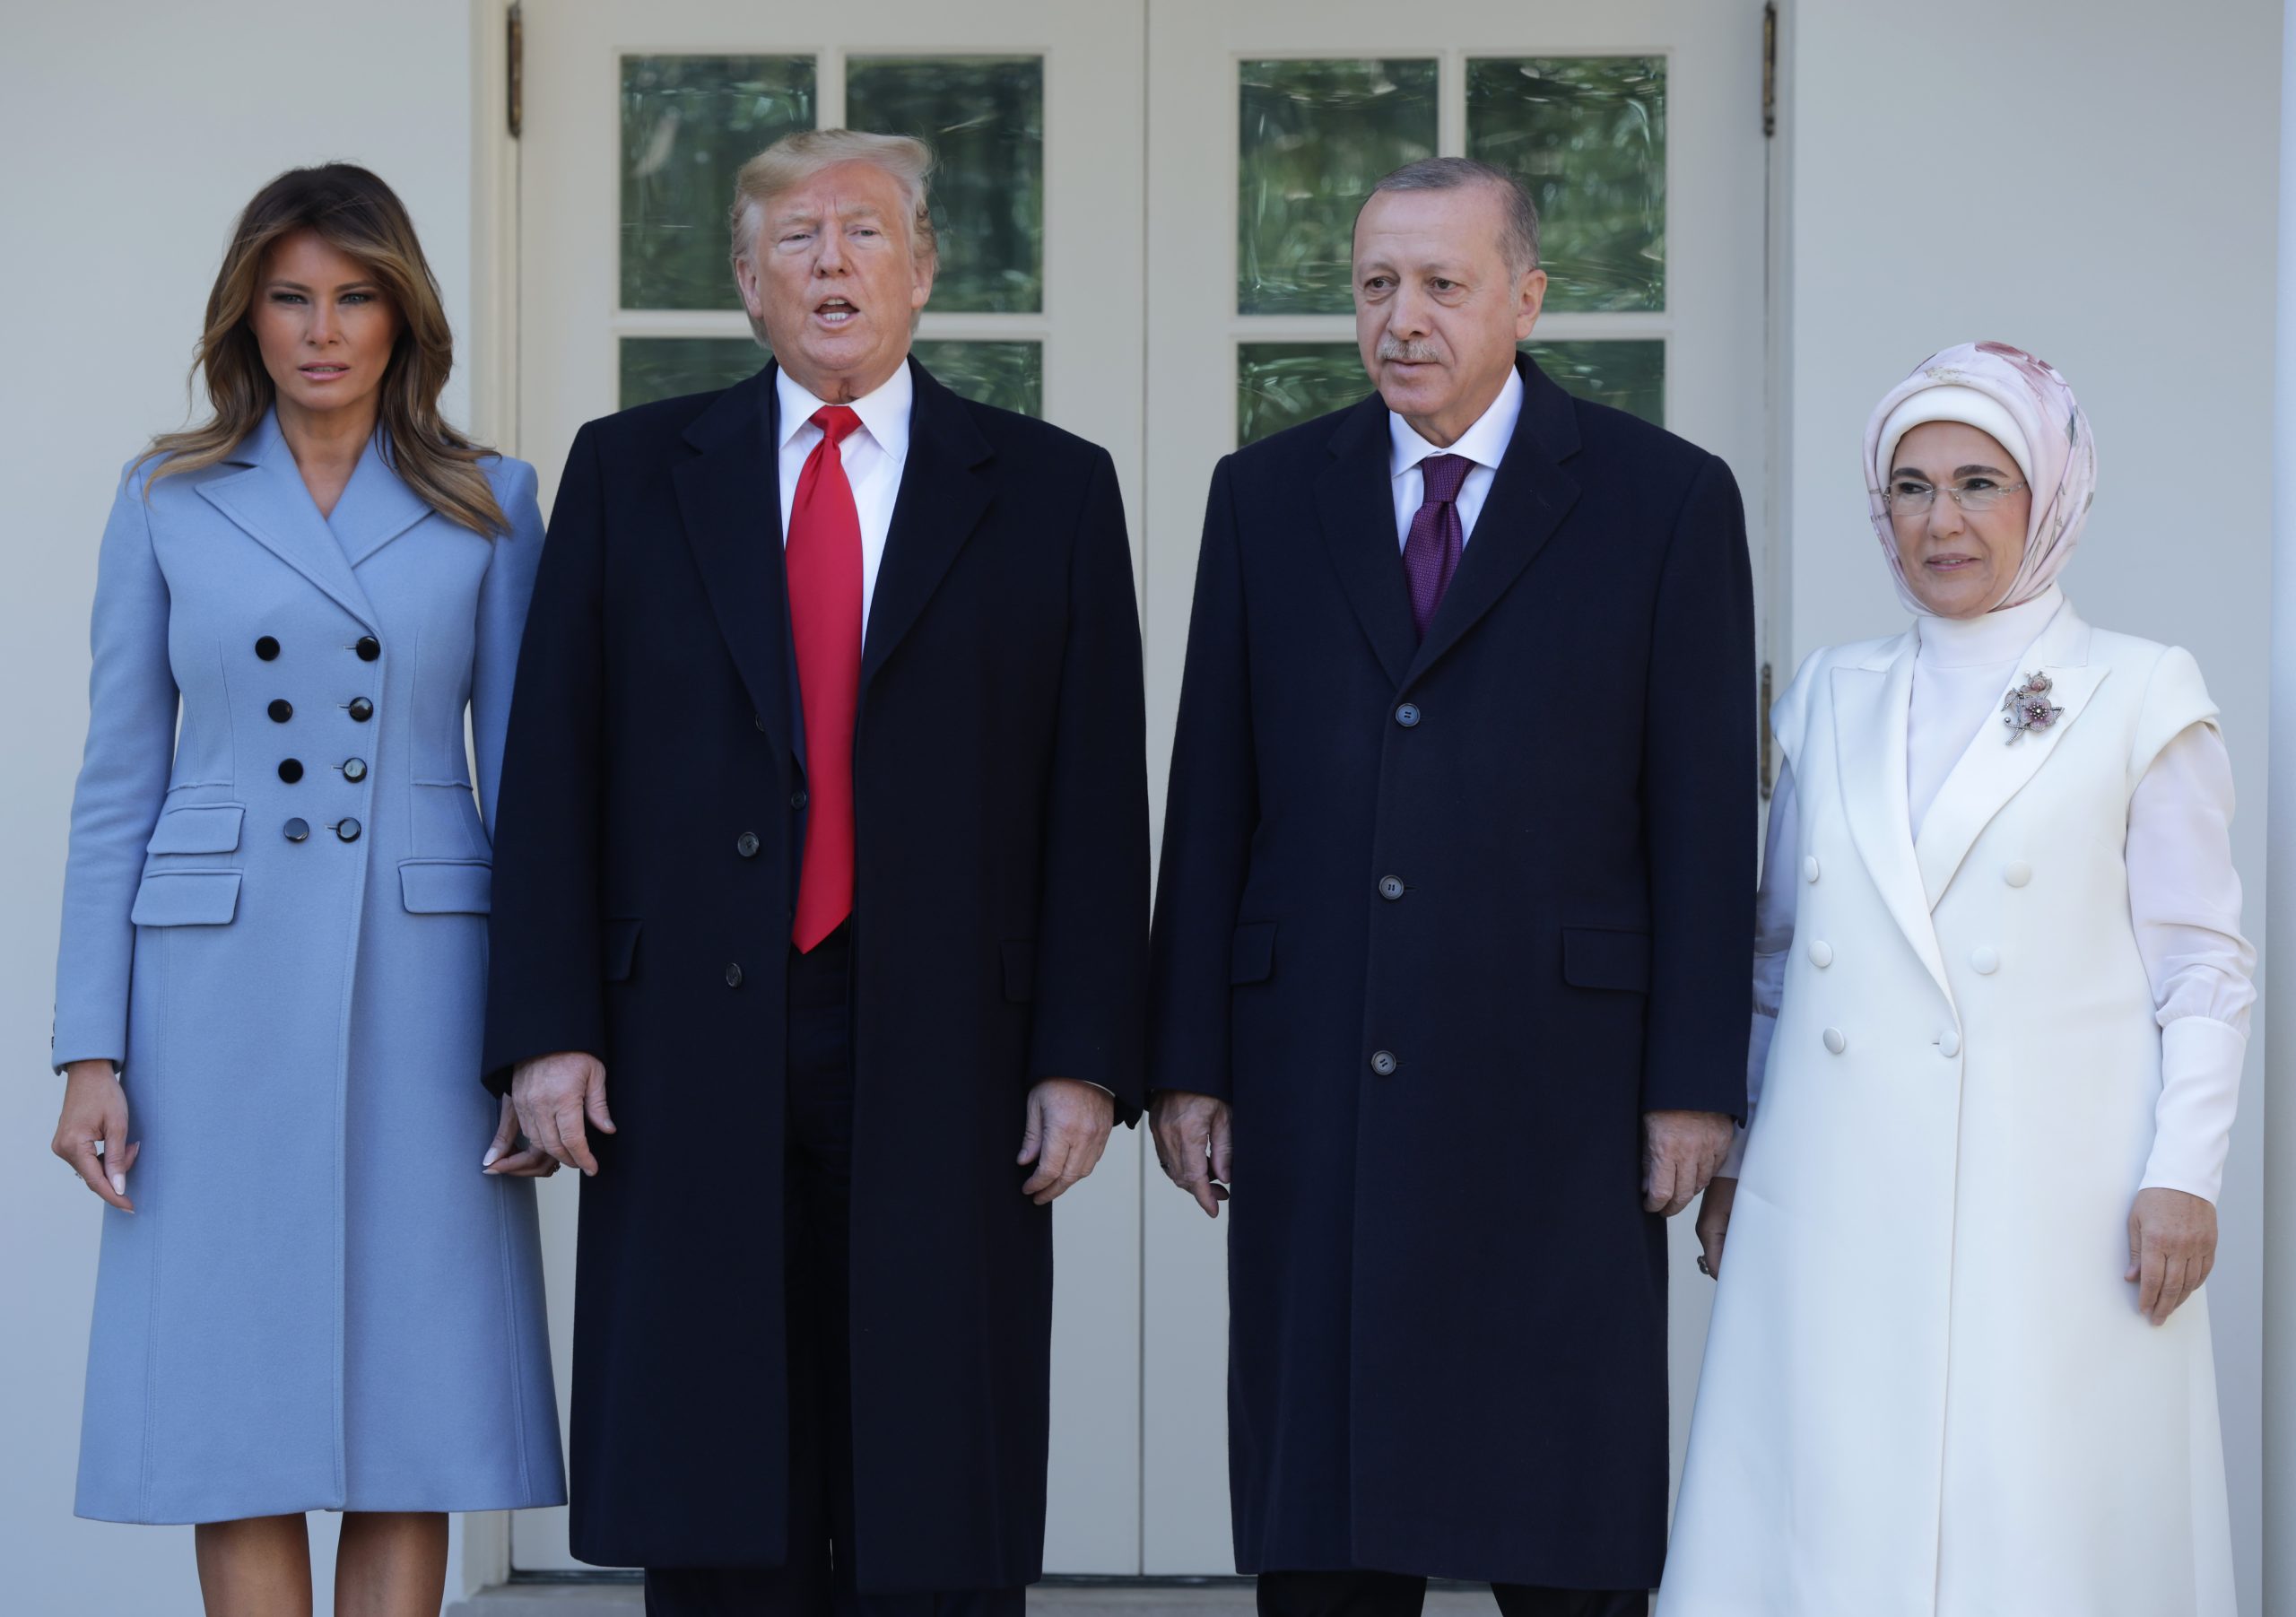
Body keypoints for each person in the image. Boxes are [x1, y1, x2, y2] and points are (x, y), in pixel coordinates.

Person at [481, 128, 1148, 1615]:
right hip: (685, 1035)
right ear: (743, 279)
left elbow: (1097, 798)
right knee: (716, 1465)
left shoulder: (1047, 488)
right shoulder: (632, 470)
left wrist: (1086, 1057)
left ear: (924, 270)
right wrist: (545, 1025)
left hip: (953, 1038)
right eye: (794, 238)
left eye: (862, 235)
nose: (830, 262)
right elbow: (553, 769)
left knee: (936, 1465)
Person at [1147, 156, 1755, 1616]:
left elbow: (1702, 817)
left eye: (1441, 284)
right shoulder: (1268, 495)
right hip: (1315, 1073)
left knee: (1565, 1528)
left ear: (1527, 297)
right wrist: (1188, 1063)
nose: (1400, 318)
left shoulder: (1663, 500)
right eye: (1374, 285)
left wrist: (1695, 1085)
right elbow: (1211, 796)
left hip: (1563, 1083)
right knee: (1331, 1531)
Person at [47, 163, 563, 1617]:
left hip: (428, 983)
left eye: (353, 297)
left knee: (416, 1399)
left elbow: (528, 798)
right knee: (232, 1398)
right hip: (208, 994)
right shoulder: (168, 498)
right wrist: (90, 1044)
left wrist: (534, 1034)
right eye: (290, 298)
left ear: (402, 318)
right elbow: (116, 786)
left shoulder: (491, 502)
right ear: (247, 318)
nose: (322, 330)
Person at [1664, 341, 2248, 1616]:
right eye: (1911, 487)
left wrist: (2181, 1175)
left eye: (1981, 483)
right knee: (1822, 1518)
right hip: (1830, 1195)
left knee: (2032, 1527)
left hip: (2055, 1199)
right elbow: (1774, 964)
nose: (1942, 520)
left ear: (2052, 496)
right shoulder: (1829, 692)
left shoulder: (2141, 690)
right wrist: (1744, 1161)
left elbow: (2204, 967)